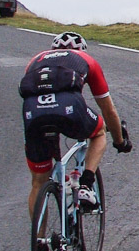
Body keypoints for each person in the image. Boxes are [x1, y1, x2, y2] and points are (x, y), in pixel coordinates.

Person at [20, 31, 130, 218]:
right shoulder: (87, 61)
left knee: (38, 182)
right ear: (82, 50)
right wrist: (120, 141)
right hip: (68, 107)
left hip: (33, 111)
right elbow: (108, 109)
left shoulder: (35, 60)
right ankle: (86, 184)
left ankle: (40, 242)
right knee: (99, 131)